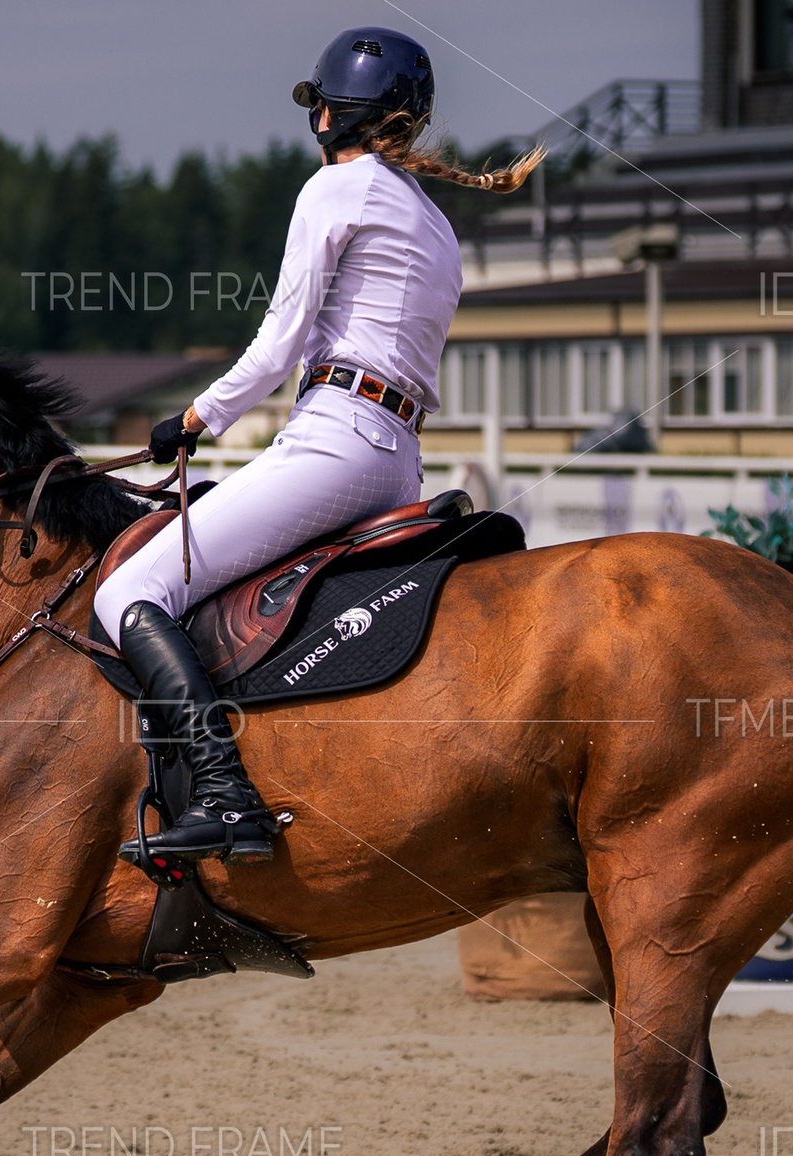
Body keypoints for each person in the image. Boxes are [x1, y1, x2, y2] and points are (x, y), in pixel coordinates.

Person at [93, 24, 541, 866]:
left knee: (131, 592)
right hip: (396, 459)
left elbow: (279, 340)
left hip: (339, 441)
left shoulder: (335, 189)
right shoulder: (435, 223)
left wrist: (194, 419)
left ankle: (227, 795)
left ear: (336, 113)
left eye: (322, 104)